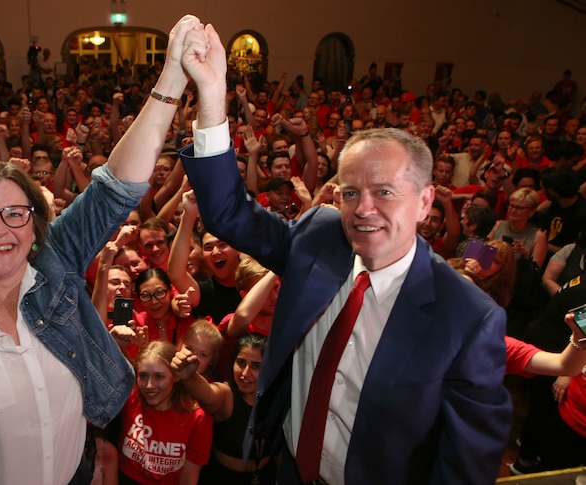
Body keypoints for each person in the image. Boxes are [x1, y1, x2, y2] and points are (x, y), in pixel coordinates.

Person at [178, 21, 510, 484]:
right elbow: (228, 212)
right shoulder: (319, 236)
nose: (363, 209)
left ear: (426, 202)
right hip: (286, 468)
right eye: (350, 192)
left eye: (385, 192)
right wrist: (213, 97)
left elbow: (465, 465)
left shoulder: (468, 317)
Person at [0, 16, 202, 484]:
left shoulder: (56, 264)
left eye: (15, 212)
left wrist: (172, 76)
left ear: (35, 226)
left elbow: (117, 187)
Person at [172, 332, 276, 484]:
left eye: (256, 366)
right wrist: (189, 376)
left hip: (266, 477)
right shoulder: (226, 394)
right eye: (241, 363)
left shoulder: (274, 396)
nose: (245, 373)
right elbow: (208, 394)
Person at [116, 341, 212, 484]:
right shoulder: (131, 398)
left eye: (159, 377)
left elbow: (188, 479)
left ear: (176, 376)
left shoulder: (197, 418)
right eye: (143, 376)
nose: (149, 385)